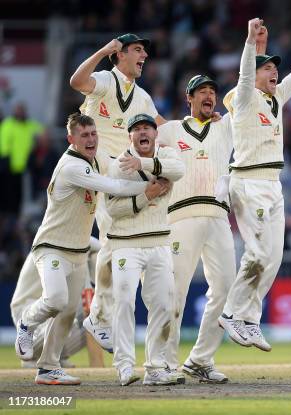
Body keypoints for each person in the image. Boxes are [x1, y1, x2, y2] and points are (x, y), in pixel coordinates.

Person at [218, 17, 291, 351]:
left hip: (274, 184)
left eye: (275, 69)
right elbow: (244, 76)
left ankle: (250, 320)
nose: (275, 73)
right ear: (254, 75)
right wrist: (249, 42)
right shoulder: (242, 99)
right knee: (255, 254)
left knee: (271, 259)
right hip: (248, 181)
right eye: (267, 69)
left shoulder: (277, 97)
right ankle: (230, 312)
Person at [14, 113, 151, 385]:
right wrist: (151, 186)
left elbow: (115, 167)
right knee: (55, 300)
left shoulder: (94, 159)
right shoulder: (71, 166)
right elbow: (112, 185)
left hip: (78, 251)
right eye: (84, 136)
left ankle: (49, 367)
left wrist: (148, 163)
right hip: (52, 247)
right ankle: (27, 323)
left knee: (66, 313)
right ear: (71, 139)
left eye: (93, 134)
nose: (91, 140)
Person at [70, 33, 164, 352]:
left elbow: (163, 128)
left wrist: (201, 127)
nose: (144, 56)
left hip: (121, 178)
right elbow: (76, 80)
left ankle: (98, 315)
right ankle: (98, 315)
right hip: (96, 173)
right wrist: (103, 50)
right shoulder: (105, 80)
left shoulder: (143, 98)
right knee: (111, 238)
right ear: (120, 54)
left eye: (145, 51)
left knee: (112, 242)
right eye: (137, 50)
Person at [157, 75, 234, 383]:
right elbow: (141, 133)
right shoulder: (171, 130)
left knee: (226, 288)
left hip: (218, 217)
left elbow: (246, 95)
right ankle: (165, 362)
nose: (209, 95)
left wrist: (254, 48)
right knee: (174, 291)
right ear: (188, 97)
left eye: (213, 92)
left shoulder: (224, 127)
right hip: (180, 217)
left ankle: (201, 359)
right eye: (202, 91)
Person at [105, 114, 184, 386]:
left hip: (159, 242)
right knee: (125, 302)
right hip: (126, 243)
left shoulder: (168, 155)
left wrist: (144, 164)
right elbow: (113, 209)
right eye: (137, 129)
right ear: (130, 136)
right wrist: (145, 196)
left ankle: (155, 368)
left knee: (163, 304)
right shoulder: (117, 167)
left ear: (155, 133)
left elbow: (178, 171)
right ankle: (125, 366)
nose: (143, 133)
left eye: (147, 128)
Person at [10, 238, 101, 368]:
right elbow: (101, 247)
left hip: (50, 307)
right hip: (28, 308)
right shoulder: (57, 238)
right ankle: (37, 355)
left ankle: (55, 356)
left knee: (101, 312)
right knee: (65, 303)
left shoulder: (82, 243)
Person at [0, 102, 44, 215]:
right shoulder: (8, 124)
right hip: (10, 166)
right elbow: (3, 143)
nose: (20, 113)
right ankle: (9, 214)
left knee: (21, 195)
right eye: (18, 110)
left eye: (22, 111)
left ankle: (16, 215)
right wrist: (5, 159)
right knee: (8, 194)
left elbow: (43, 132)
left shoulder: (30, 125)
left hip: (26, 167)